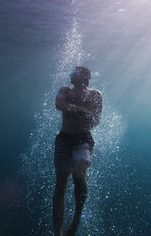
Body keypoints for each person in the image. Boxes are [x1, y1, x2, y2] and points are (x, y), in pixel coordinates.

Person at [53, 66, 102, 236]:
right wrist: (82, 110)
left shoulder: (95, 94)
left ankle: (75, 221)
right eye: (71, 72)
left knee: (79, 175)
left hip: (83, 140)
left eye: (76, 72)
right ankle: (57, 232)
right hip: (64, 139)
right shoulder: (64, 90)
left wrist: (73, 108)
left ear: (85, 77)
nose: (71, 74)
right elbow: (59, 104)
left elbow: (96, 119)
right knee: (60, 185)